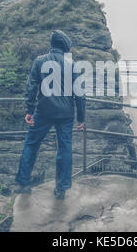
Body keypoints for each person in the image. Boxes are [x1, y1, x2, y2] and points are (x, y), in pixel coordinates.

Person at [14, 30, 86, 200]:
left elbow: (31, 88)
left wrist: (29, 111)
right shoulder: (73, 65)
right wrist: (81, 119)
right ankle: (61, 189)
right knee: (65, 148)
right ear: (65, 47)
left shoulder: (39, 61)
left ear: (52, 45)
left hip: (44, 111)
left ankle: (23, 184)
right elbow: (80, 95)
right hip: (66, 114)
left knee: (31, 145)